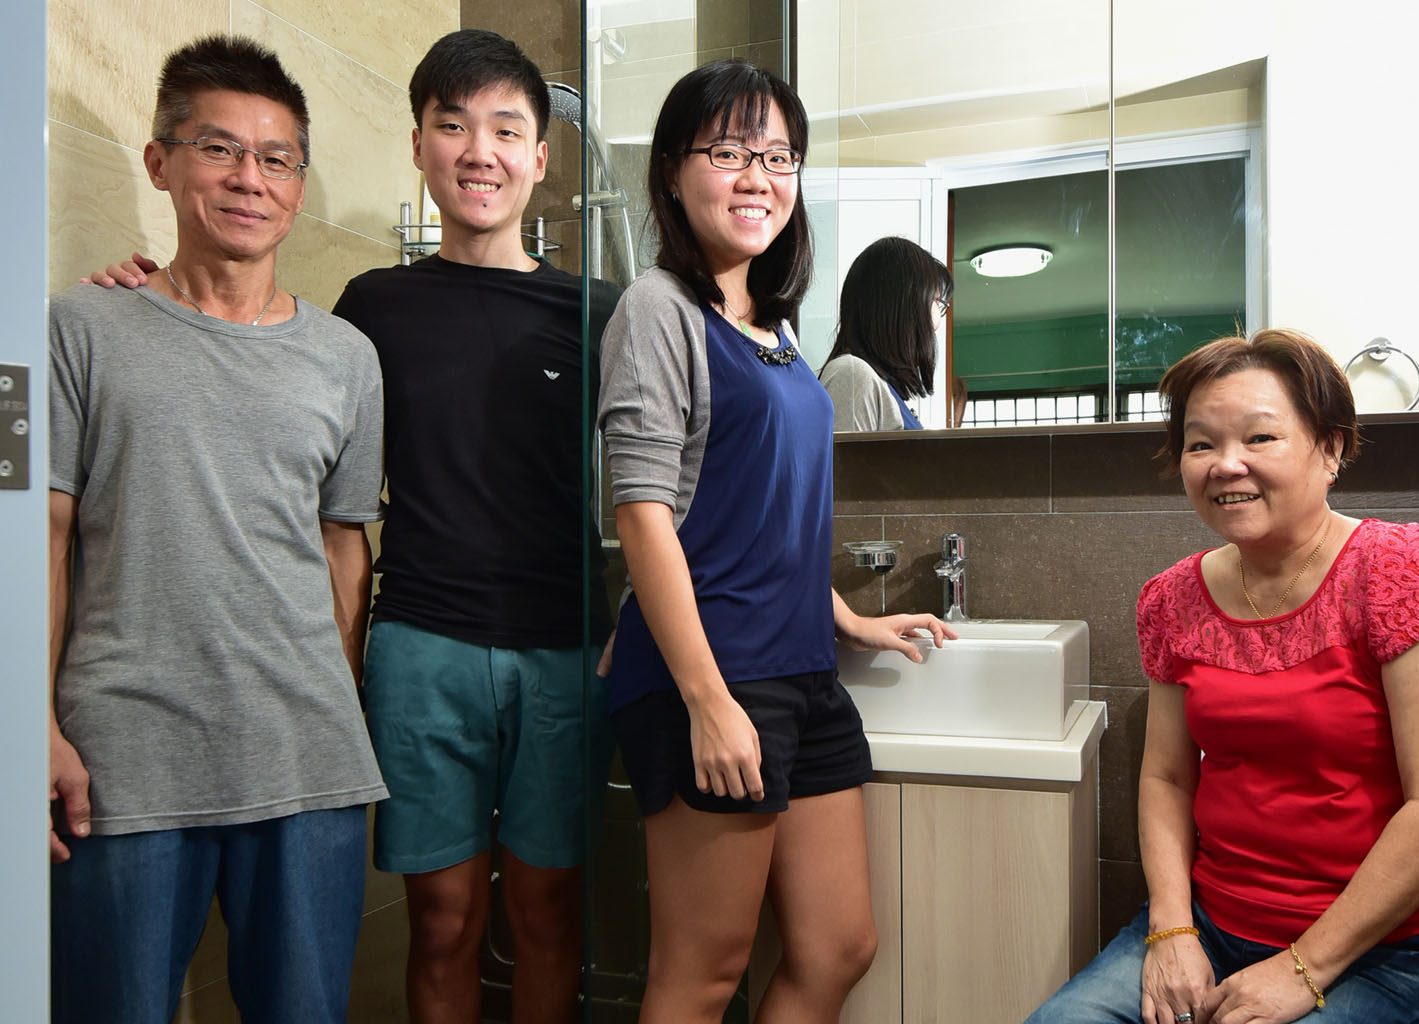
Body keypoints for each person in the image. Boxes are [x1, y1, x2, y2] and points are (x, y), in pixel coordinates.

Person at [86, 29, 618, 1024]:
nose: (480, 151)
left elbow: (675, 470)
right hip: (420, 645)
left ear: (541, 158)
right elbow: (269, 385)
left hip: (562, 645)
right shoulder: (372, 309)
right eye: (453, 126)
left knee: (548, 915)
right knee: (443, 920)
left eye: (507, 130)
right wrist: (141, 299)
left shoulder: (599, 312)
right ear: (418, 146)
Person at [597, 59, 956, 1024]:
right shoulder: (658, 310)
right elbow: (643, 516)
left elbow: (768, 516)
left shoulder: (780, 332)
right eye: (729, 152)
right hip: (716, 672)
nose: (758, 177)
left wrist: (849, 620)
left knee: (839, 947)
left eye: (778, 156)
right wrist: (706, 700)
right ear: (674, 171)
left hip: (799, 669)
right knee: (702, 973)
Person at [48, 35, 386, 1024]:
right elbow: (42, 539)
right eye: (218, 149)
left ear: (299, 184)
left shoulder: (347, 357)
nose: (250, 178)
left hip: (307, 762)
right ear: (162, 162)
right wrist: (33, 724)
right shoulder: (81, 328)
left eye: (276, 158)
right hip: (124, 760)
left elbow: (345, 549)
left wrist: (336, 701)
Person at [1024, 329, 1419, 1024]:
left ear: (1330, 449)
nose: (1225, 464)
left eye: (1260, 437)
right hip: (1213, 923)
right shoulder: (1173, 598)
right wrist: (1173, 931)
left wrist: (1305, 968)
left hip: (1388, 949)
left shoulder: (1404, 569)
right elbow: (1166, 777)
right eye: (1200, 443)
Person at [818, 234, 952, 431]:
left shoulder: (875, 382)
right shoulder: (853, 375)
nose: (936, 321)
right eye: (935, 301)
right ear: (901, 305)